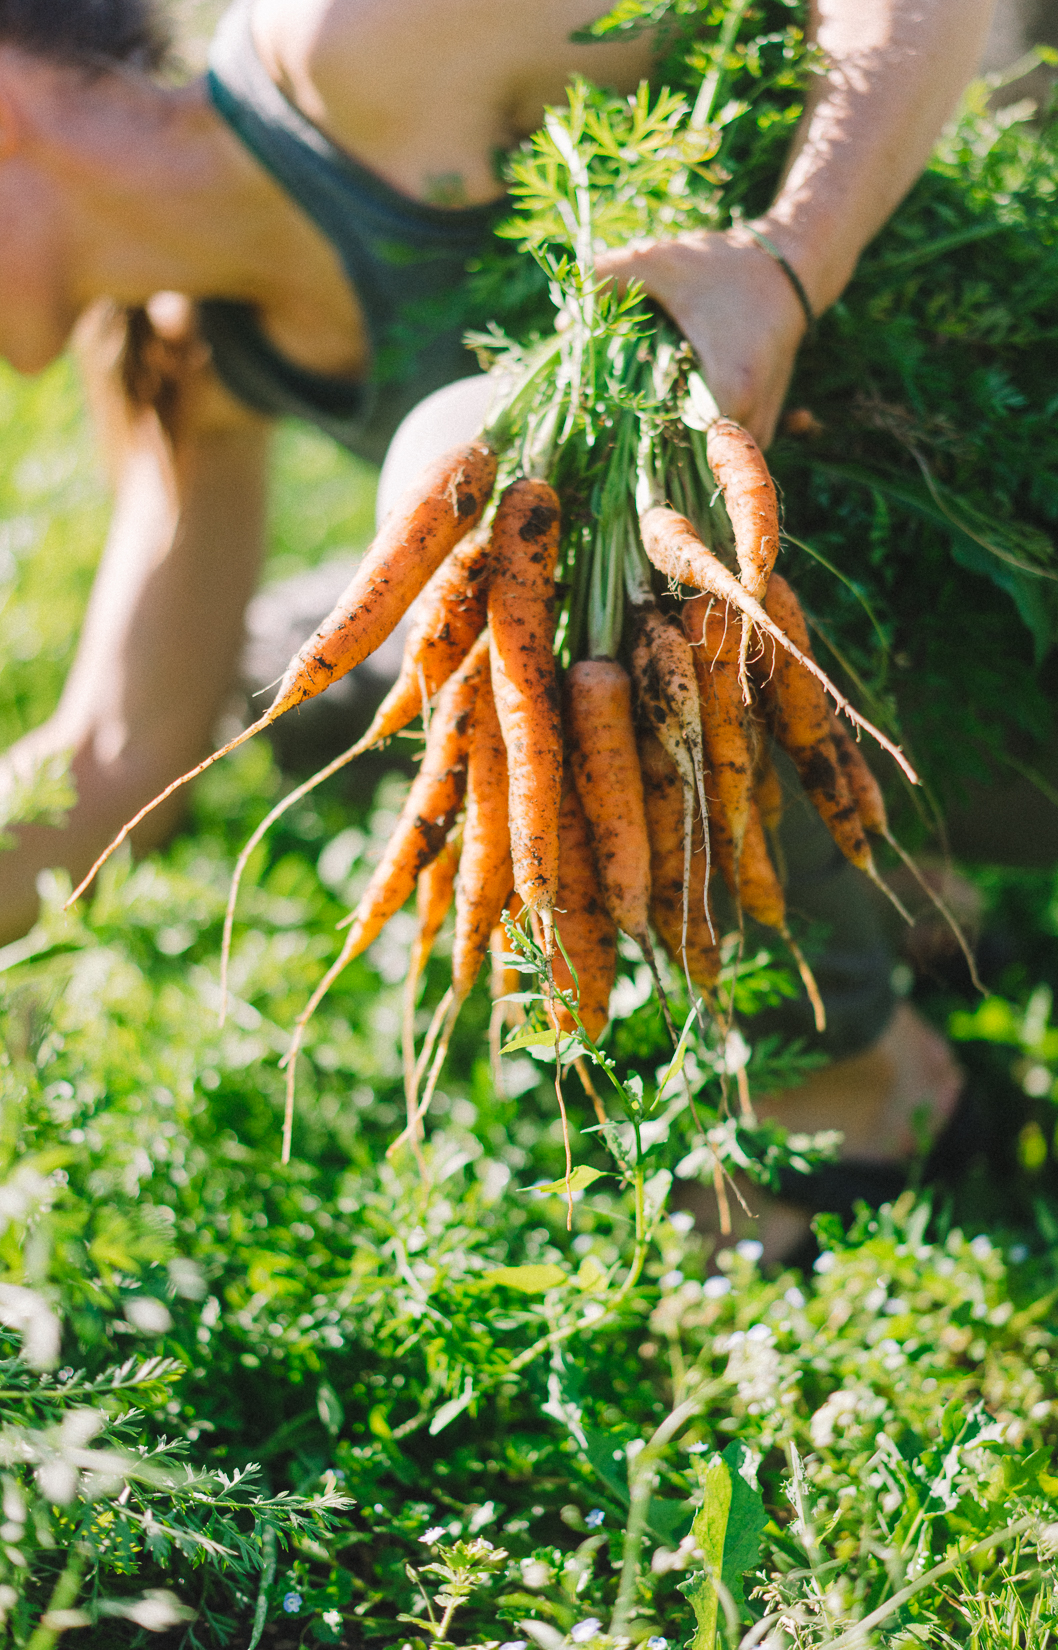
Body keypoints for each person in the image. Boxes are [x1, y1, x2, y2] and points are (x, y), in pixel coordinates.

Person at [0, 0, 996, 1251]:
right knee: (284, 675)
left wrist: (789, 259)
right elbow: (115, 756)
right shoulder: (186, 357)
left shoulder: (354, 49)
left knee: (483, 471)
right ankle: (900, 886)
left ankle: (849, 1082)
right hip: (841, 659)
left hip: (998, 581)